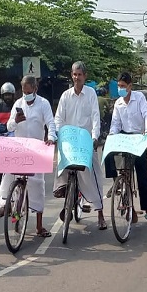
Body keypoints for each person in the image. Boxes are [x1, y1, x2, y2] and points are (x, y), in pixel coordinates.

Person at [0, 76, 57, 238]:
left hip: (36, 150)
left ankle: (39, 226)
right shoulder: (18, 104)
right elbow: (8, 126)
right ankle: (4, 204)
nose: (26, 95)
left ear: (35, 89)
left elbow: (50, 123)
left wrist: (51, 137)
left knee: (37, 185)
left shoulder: (43, 104)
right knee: (8, 175)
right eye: (24, 91)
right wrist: (15, 120)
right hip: (20, 148)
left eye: (29, 91)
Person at [53, 62, 107, 230]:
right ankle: (64, 191)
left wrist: (94, 137)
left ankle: (100, 215)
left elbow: (95, 117)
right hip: (69, 141)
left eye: (80, 75)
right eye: (74, 74)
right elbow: (59, 118)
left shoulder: (90, 94)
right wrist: (58, 135)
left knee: (94, 175)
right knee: (62, 166)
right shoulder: (65, 95)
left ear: (85, 76)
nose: (77, 77)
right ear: (72, 75)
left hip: (86, 142)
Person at [103, 72, 147, 226]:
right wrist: (112, 135)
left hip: (138, 138)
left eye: (123, 86)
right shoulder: (118, 103)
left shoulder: (139, 98)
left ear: (130, 86)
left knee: (142, 176)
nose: (121, 89)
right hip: (124, 137)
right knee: (109, 153)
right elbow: (115, 123)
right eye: (119, 86)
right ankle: (117, 182)